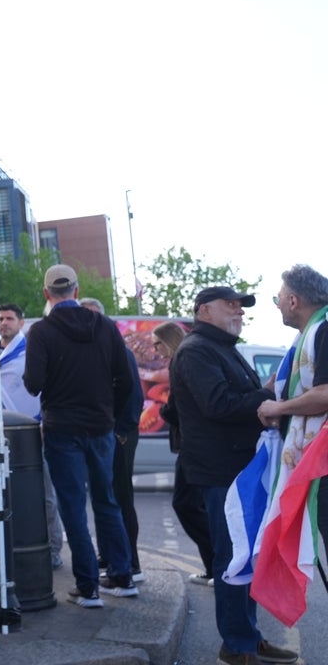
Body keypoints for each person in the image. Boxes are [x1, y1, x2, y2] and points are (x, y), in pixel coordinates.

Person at [170, 286, 298, 665]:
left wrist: (266, 392)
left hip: (236, 467)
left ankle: (247, 637)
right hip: (221, 471)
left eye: (241, 306)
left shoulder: (220, 348)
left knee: (244, 558)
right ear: (203, 311)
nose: (239, 311)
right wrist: (268, 398)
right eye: (231, 305)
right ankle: (238, 645)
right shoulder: (197, 351)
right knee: (232, 560)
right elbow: (219, 405)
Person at [22, 264, 136, 608]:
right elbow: (126, 379)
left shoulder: (41, 331)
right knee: (108, 502)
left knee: (73, 507)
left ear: (46, 294)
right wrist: (110, 414)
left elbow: (33, 384)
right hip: (101, 427)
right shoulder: (105, 326)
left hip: (62, 429)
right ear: (76, 289)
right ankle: (122, 576)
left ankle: (88, 587)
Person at [256, 265, 328, 586]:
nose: (278, 304)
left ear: (294, 301)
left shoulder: (323, 330)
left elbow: (325, 394)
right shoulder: (309, 336)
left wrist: (280, 406)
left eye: (279, 298)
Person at [0, 302, 65, 569]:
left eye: (9, 318)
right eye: (0, 319)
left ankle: (52, 549)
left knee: (45, 495)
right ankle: (14, 547)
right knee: (5, 495)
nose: (4, 323)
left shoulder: (30, 352)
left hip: (32, 432)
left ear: (21, 322)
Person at [80, 296, 145, 582]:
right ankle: (109, 554)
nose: (89, 322)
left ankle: (131, 562)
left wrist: (120, 432)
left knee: (120, 498)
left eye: (94, 316)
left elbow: (134, 395)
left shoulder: (119, 350)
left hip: (119, 435)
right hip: (101, 435)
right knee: (102, 498)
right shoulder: (89, 351)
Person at [154, 321, 215, 585]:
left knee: (186, 504)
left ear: (168, 340)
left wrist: (163, 412)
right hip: (193, 446)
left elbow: (177, 407)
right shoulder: (182, 359)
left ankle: (217, 562)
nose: (155, 350)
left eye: (157, 343)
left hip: (194, 447)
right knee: (196, 506)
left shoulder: (182, 361)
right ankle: (214, 566)